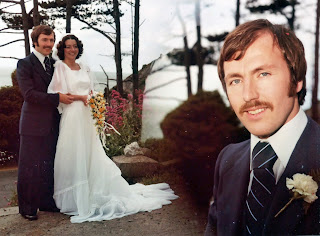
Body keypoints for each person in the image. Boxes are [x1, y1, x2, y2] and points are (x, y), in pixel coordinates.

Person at [205, 19, 320, 235]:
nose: (248, 95)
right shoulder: (228, 159)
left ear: (297, 80)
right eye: (235, 80)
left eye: (263, 74)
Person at [47, 34, 178, 223]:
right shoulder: (60, 67)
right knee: (73, 152)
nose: (72, 50)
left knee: (91, 153)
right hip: (73, 115)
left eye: (75, 46)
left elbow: (91, 90)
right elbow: (56, 93)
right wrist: (79, 98)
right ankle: (75, 199)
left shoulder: (85, 67)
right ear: (62, 49)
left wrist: (94, 100)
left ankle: (93, 190)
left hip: (87, 115)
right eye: (68, 46)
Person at [16, 25, 73, 221]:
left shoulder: (55, 64)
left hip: (53, 124)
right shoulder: (25, 64)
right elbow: (29, 95)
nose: (49, 44)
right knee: (29, 167)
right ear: (35, 42)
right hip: (32, 125)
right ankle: (27, 208)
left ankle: (46, 202)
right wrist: (58, 99)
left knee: (49, 166)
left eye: (51, 40)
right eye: (44, 40)